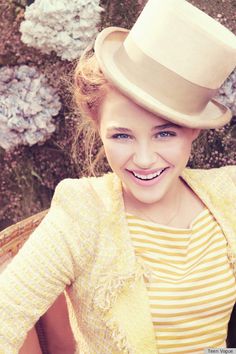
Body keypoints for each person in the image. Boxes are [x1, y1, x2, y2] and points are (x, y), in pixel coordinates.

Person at [0, 0, 236, 353]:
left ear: (194, 131)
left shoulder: (228, 191)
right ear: (99, 129)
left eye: (165, 134)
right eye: (121, 135)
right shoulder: (81, 213)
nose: (143, 160)